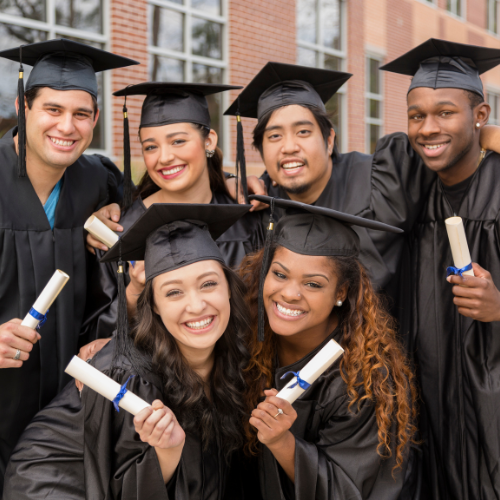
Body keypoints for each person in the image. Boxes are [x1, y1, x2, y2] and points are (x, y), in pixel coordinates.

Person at [4, 203, 262, 500]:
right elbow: (120, 486)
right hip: (56, 487)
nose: (196, 305)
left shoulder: (235, 353)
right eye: (173, 292)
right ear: (153, 306)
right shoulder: (130, 377)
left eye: (208, 284)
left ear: (229, 288)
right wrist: (167, 450)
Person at [224, 62, 500, 300]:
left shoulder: (384, 177)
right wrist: (227, 180)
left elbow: (446, 143)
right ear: (259, 150)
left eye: (303, 131)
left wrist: (486, 134)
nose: (289, 147)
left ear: (329, 139)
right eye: (274, 136)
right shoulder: (258, 210)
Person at [0, 38, 138, 489]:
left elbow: (117, 281)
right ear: (24, 106)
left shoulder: (98, 182)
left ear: (96, 119)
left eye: (81, 114)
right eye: (52, 110)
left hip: (65, 410)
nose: (67, 126)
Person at [379, 38, 500, 500]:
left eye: (445, 112)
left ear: (480, 116)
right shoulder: (410, 190)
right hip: (427, 408)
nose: (427, 127)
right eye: (416, 115)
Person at [239, 195, 418, 499]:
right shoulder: (246, 341)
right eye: (280, 274)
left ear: (341, 292)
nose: (290, 293)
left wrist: (282, 442)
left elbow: (349, 490)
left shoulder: (363, 380)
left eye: (313, 284)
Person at [82, 82, 264, 342]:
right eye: (150, 147)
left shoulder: (248, 218)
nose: (164, 157)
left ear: (209, 141)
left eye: (178, 141)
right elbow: (98, 335)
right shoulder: (120, 232)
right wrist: (135, 290)